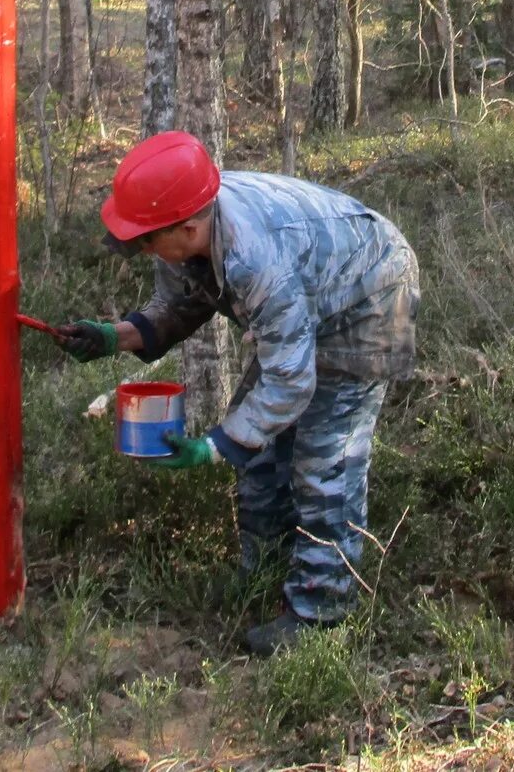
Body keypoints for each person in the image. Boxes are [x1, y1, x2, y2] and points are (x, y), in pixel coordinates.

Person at [56, 130, 420, 655]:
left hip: (371, 296)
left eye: (145, 239)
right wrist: (115, 336)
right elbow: (179, 307)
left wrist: (214, 446)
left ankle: (321, 613)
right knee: (260, 445)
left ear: (186, 227)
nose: (139, 250)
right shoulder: (180, 233)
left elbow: (290, 381)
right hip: (308, 302)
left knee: (324, 457)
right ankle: (265, 572)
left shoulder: (253, 258)